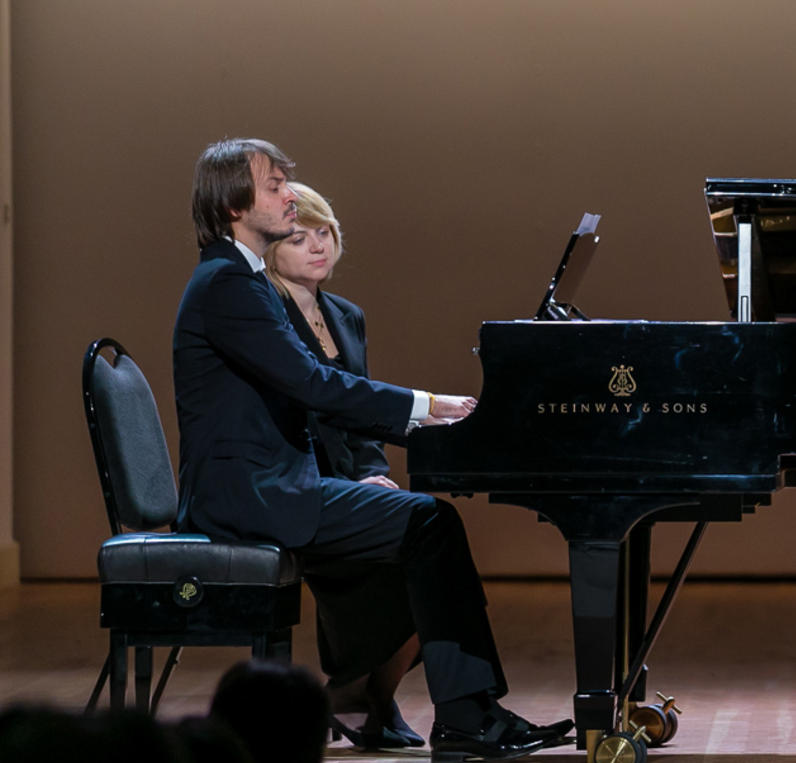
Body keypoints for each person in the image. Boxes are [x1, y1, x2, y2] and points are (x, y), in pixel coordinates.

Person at [173, 138, 569, 759]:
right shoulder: (229, 283)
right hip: (251, 495)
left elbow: (320, 393)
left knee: (425, 526)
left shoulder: (240, 280)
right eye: (274, 185)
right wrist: (428, 406)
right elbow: (315, 386)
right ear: (233, 205)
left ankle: (434, 707)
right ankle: (463, 715)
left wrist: (422, 420)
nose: (288, 196)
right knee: (430, 523)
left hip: (269, 485)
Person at [263, 182, 422, 748]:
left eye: (324, 232)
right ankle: (360, 694)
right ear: (269, 250)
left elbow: (360, 414)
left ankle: (364, 693)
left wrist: (369, 472)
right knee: (413, 542)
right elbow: (305, 406)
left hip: (341, 479)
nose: (317, 246)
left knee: (421, 546)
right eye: (297, 238)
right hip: (293, 479)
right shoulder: (266, 313)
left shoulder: (346, 315)